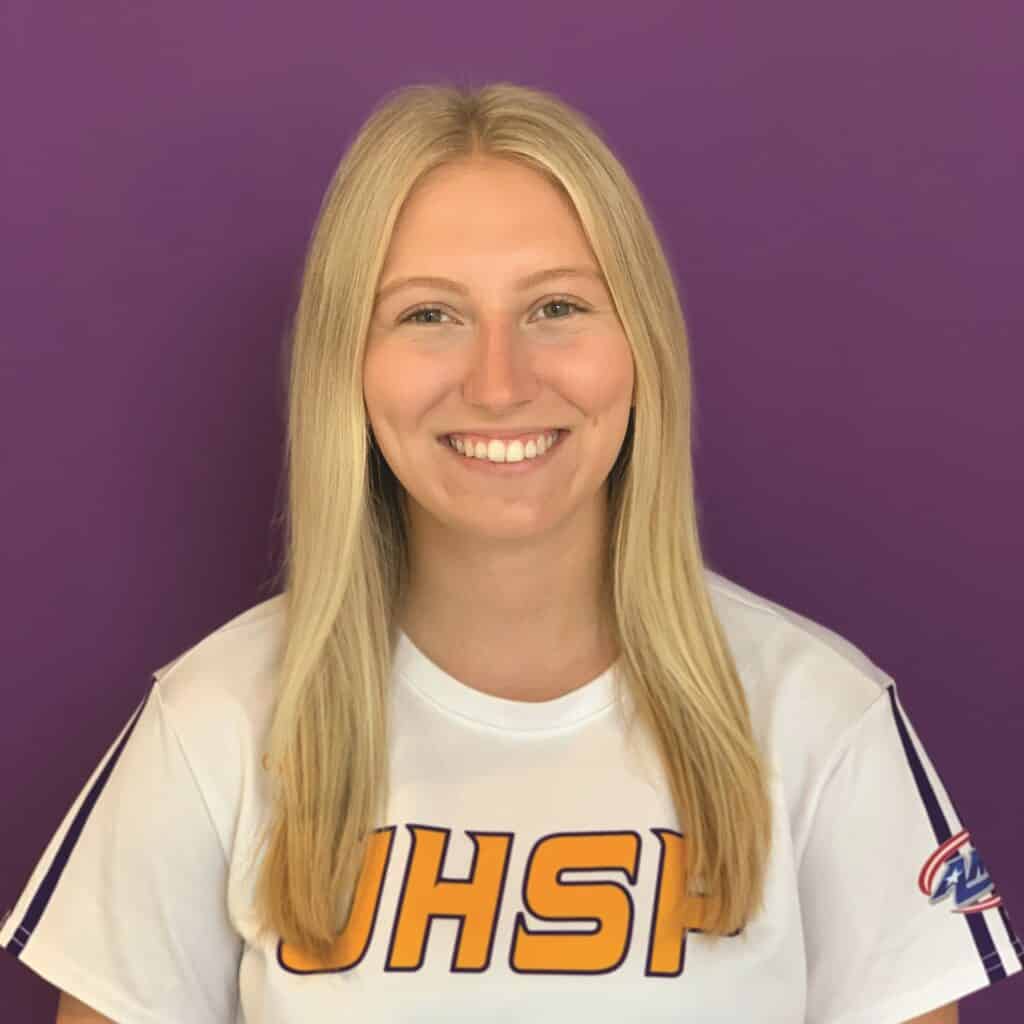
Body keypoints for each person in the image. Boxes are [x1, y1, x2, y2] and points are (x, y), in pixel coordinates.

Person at [2, 81, 1020, 1024]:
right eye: (429, 314)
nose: (498, 383)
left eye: (556, 308)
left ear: (640, 345)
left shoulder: (820, 718)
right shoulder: (211, 724)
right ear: (346, 364)